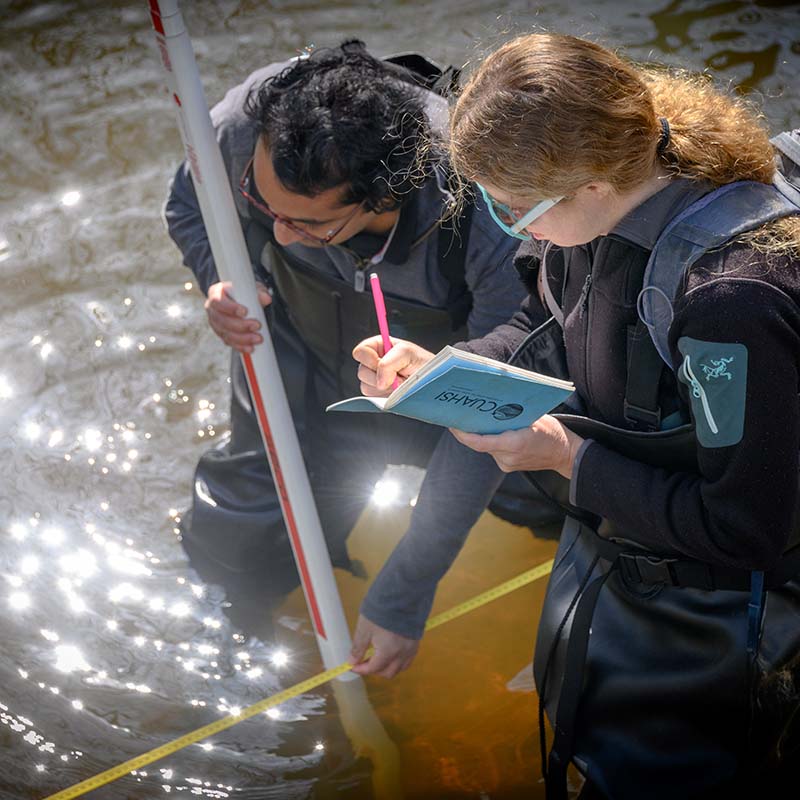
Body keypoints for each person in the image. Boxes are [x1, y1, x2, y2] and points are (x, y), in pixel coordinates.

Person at [352, 32, 800, 798]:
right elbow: (545, 325)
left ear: (590, 181)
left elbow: (748, 527)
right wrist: (446, 369)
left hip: (727, 627)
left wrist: (566, 457)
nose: (511, 228)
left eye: (514, 208)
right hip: (617, 570)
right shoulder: (589, 222)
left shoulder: (731, 303)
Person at [164, 39, 562, 672]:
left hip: (440, 375)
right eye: (264, 206)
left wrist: (409, 585)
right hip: (300, 355)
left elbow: (492, 402)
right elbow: (187, 202)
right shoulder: (243, 125)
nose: (281, 234)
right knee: (236, 537)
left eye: (310, 226)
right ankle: (228, 655)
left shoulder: (488, 207)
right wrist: (220, 275)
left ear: (382, 198)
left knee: (557, 484)